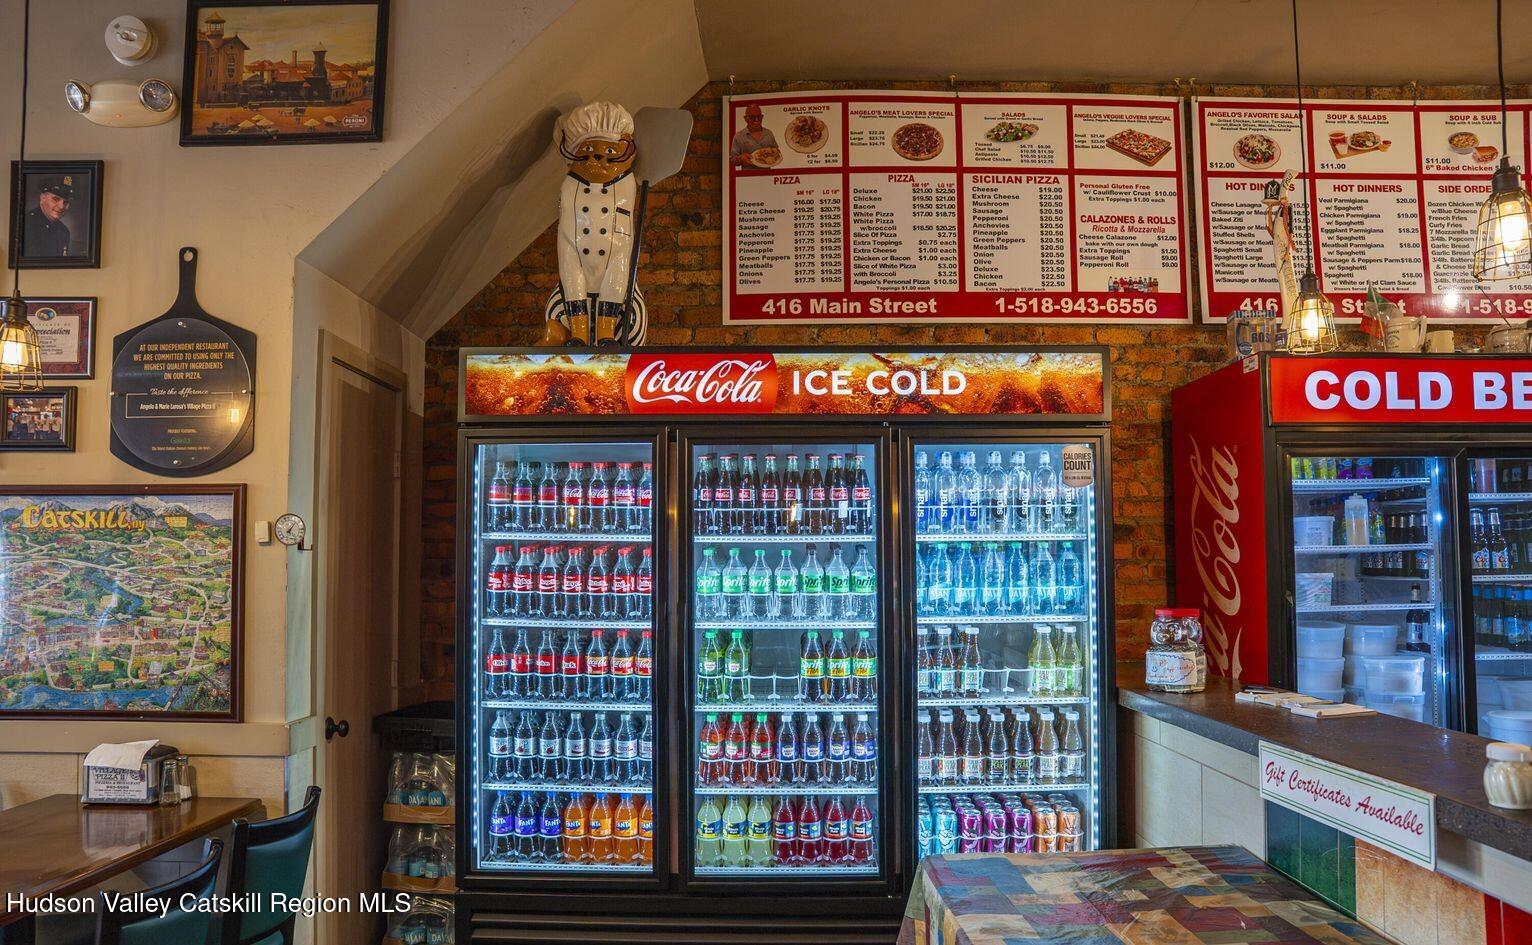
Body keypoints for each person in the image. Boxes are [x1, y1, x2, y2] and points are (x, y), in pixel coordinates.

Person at [22, 176, 75, 258]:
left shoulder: (64, 231)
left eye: (66, 202)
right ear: (43, 198)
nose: (61, 206)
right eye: (56, 199)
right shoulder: (25, 223)